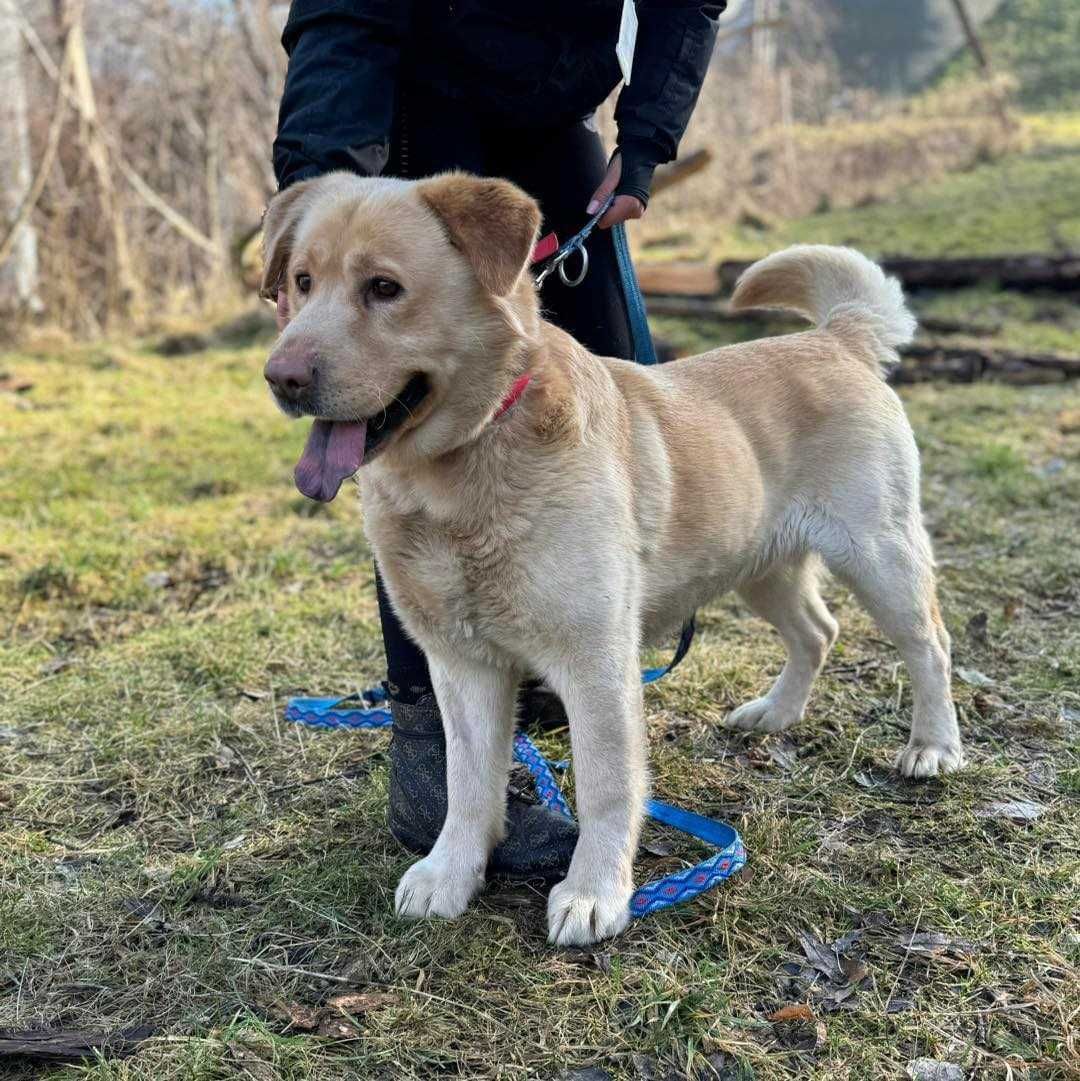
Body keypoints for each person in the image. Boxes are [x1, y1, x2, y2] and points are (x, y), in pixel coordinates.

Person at [270, 1, 724, 877]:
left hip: (557, 112)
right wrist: (322, 185)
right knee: (400, 426)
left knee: (614, 375)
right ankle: (433, 753)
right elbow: (343, 10)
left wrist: (650, 132)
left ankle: (564, 661)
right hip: (409, 99)